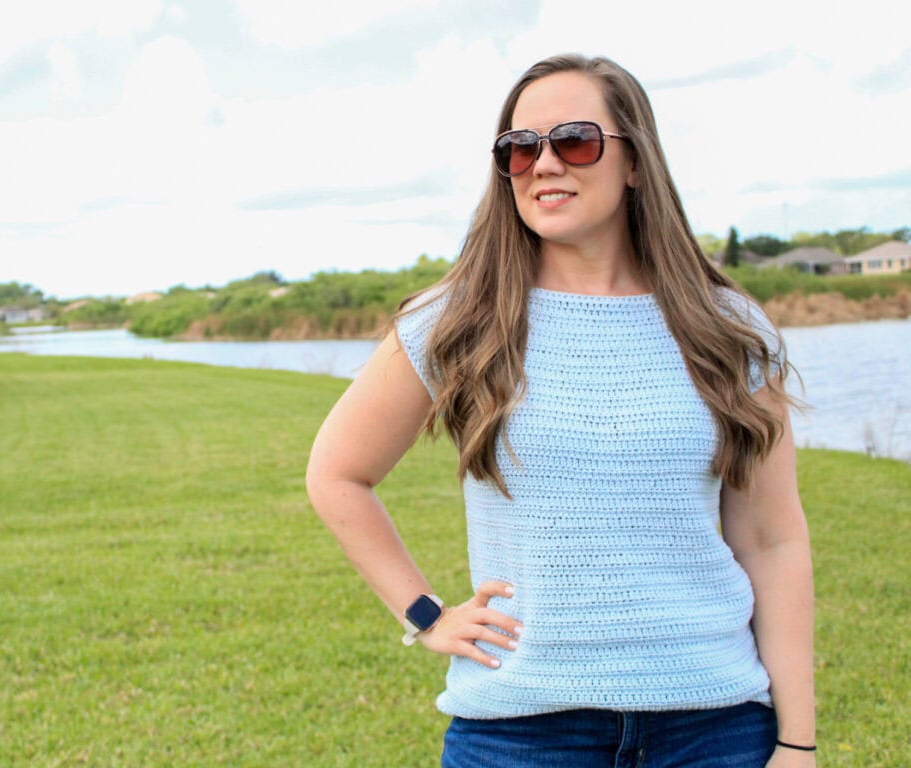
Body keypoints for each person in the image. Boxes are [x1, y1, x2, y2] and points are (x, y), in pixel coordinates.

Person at [306, 53, 815, 767]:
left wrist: (797, 741)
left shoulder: (727, 327)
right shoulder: (455, 321)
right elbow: (336, 474)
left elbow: (772, 542)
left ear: (635, 161)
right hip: (520, 735)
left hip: (714, 729)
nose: (543, 163)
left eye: (575, 140)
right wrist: (425, 616)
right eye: (519, 149)